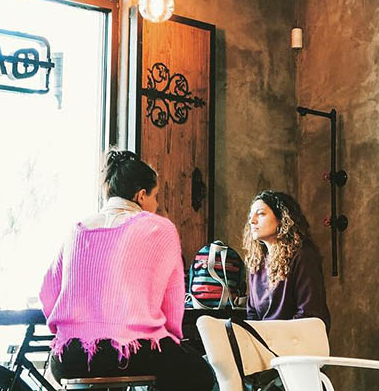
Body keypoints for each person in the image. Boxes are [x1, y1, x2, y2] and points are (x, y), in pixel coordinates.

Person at [39, 149, 214, 391]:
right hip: (132, 353)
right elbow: (173, 305)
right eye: (155, 197)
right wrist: (169, 339)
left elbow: (47, 293)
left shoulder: (75, 230)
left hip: (69, 358)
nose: (156, 204)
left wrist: (75, 329)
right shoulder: (159, 228)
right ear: (141, 195)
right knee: (200, 374)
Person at [242, 190, 330, 330]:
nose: (252, 221)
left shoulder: (303, 255)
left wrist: (272, 340)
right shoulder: (257, 264)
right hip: (266, 343)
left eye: (261, 214)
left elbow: (309, 313)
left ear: (282, 218)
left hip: (296, 342)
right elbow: (252, 315)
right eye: (251, 216)